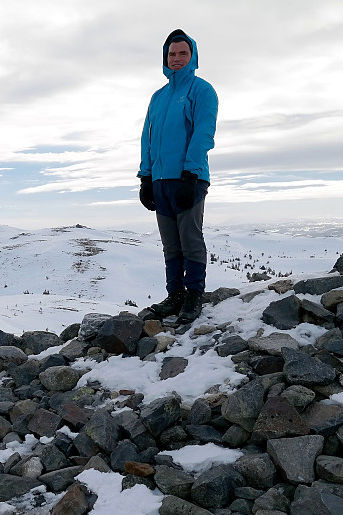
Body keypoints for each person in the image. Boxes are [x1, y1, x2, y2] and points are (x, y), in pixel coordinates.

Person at [137, 29, 218, 324]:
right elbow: (147, 137)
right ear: (165, 58)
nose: (177, 58)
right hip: (160, 181)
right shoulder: (158, 97)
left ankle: (194, 295)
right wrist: (146, 177)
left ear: (192, 56)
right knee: (170, 243)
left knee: (190, 239)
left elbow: (203, 134)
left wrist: (191, 174)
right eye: (172, 54)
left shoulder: (202, 90)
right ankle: (175, 296)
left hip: (189, 179)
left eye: (183, 53)